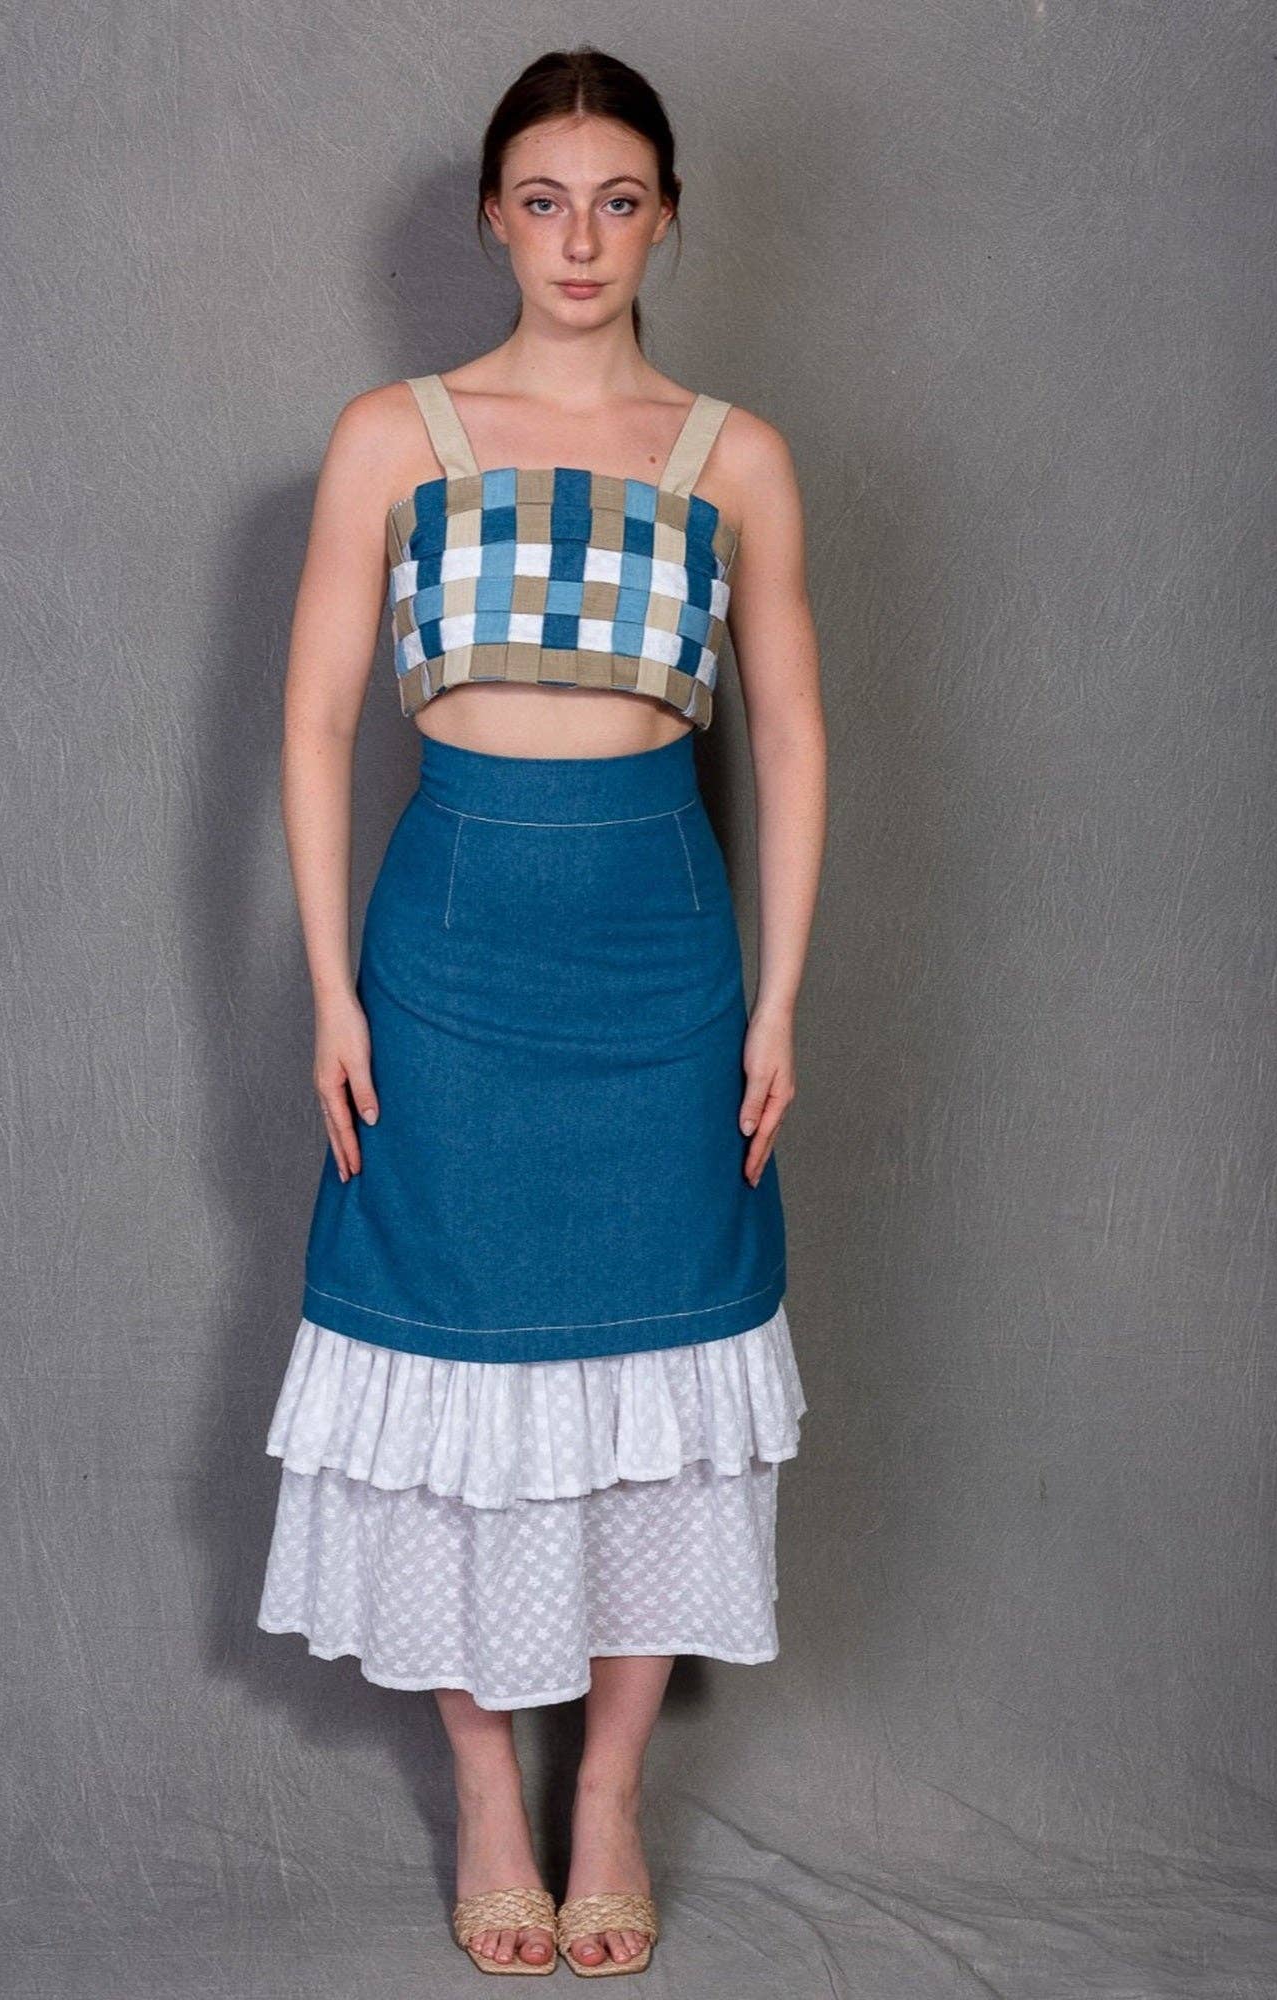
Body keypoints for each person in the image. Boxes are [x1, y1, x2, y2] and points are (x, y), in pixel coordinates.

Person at [255, 44, 828, 1978]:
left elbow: (793, 737)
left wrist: (779, 1000)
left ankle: (609, 1799)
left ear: (666, 218)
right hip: (446, 956)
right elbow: (316, 722)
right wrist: (329, 989)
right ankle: (490, 1793)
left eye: (619, 200)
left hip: (662, 959)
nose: (581, 239)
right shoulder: (393, 438)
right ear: (495, 218)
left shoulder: (733, 456)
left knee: (660, 1368)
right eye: (544, 200)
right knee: (454, 1358)